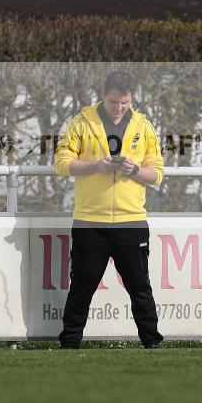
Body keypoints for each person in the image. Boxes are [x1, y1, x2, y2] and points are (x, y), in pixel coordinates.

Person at [54, 71, 164, 349]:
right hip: (90, 220)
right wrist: (96, 166)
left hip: (132, 220)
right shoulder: (80, 123)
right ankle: (69, 342)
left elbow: (157, 174)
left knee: (140, 286)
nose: (119, 108)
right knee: (82, 285)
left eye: (125, 103)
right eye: (114, 102)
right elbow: (62, 163)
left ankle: (152, 342)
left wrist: (135, 170)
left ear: (132, 98)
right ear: (103, 95)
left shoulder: (144, 126)